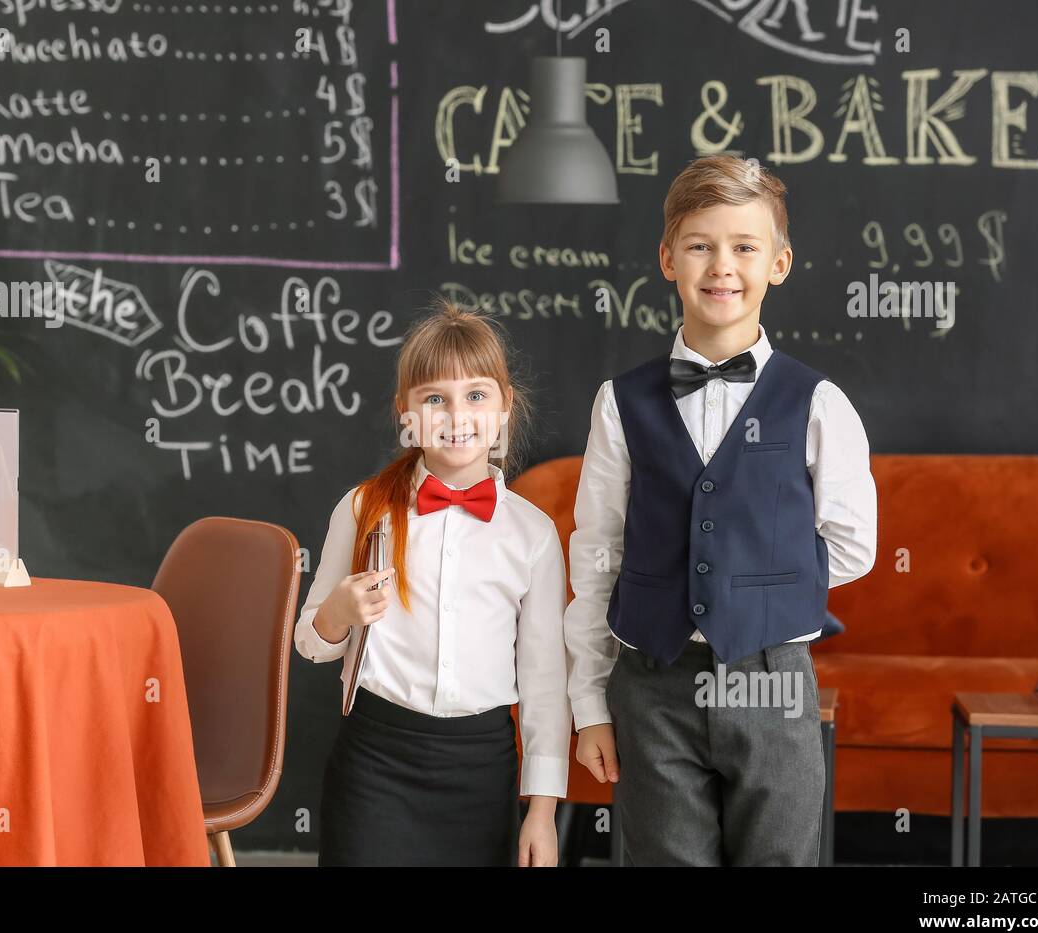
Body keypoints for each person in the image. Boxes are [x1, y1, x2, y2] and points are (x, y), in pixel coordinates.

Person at [566, 155, 878, 865]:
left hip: (772, 680)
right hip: (652, 686)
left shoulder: (818, 404)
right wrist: (590, 705)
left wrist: (754, 589)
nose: (721, 266)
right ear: (668, 259)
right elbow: (596, 553)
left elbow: (854, 545)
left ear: (779, 263)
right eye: (700, 245)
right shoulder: (622, 401)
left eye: (744, 246)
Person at [294, 297, 571, 866]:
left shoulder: (533, 534)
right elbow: (309, 643)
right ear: (406, 413)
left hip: (481, 770)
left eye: (475, 395)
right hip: (375, 764)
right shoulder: (364, 509)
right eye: (434, 399)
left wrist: (540, 813)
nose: (455, 415)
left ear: (503, 409)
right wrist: (337, 615)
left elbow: (544, 685)